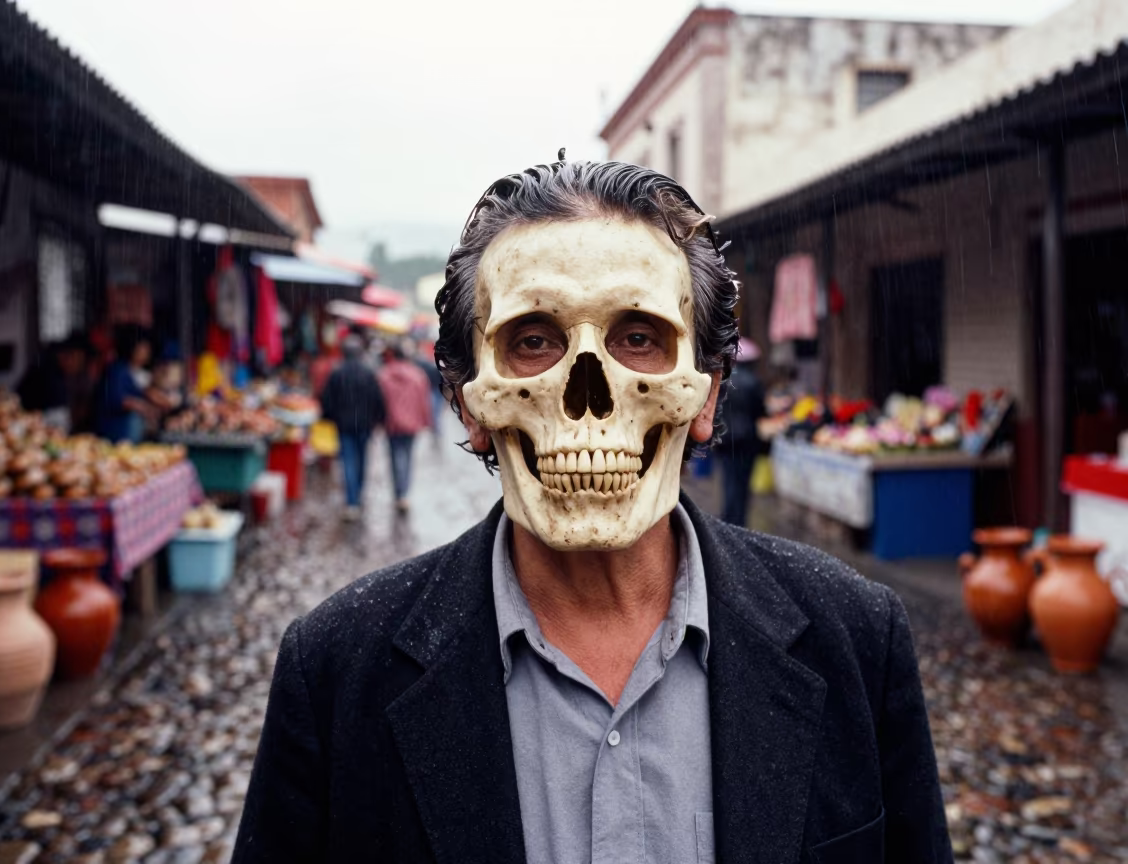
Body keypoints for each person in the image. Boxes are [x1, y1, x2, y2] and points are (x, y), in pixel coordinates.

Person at [234, 161, 951, 863]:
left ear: (705, 393)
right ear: (466, 399)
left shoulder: (856, 640)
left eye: (639, 339)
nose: (587, 398)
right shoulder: (334, 672)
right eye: (533, 342)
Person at [319, 336, 385, 520]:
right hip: (363, 425)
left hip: (344, 425)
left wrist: (330, 417)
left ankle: (351, 502)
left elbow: (327, 401)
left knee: (348, 461)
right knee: (362, 459)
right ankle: (358, 493)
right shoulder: (368, 373)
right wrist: (378, 420)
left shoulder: (337, 373)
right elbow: (377, 399)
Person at [376, 343, 432, 512]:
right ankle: (404, 494)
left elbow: (379, 401)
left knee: (394, 457)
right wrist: (426, 420)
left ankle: (398, 492)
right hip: (411, 423)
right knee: (407, 457)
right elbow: (424, 400)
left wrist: (380, 421)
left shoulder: (384, 375)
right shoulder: (417, 375)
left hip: (392, 424)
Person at [717, 337, 766, 526]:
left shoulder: (723, 380)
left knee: (728, 481)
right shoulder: (753, 382)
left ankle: (728, 519)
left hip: (725, 439)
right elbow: (760, 411)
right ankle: (738, 522)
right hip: (746, 440)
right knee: (742, 484)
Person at [93, 326, 157, 443]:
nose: (148, 351)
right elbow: (117, 399)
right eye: (144, 347)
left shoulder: (131, 371)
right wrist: (143, 407)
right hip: (115, 433)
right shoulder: (117, 370)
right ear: (133, 348)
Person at [17, 333, 93, 433]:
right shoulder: (49, 375)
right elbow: (57, 424)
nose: (78, 367)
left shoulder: (50, 368)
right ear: (65, 356)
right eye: (78, 361)